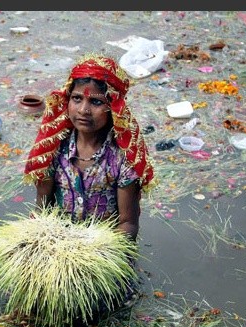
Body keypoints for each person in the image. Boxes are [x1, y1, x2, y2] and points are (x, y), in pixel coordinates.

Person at [23, 52, 156, 242]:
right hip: (58, 246)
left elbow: (128, 224)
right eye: (77, 99)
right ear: (68, 100)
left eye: (96, 101)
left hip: (105, 252)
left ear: (113, 107)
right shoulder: (53, 149)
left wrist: (98, 254)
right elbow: (41, 210)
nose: (84, 110)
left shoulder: (123, 158)